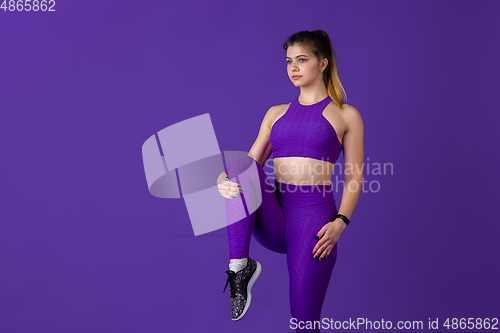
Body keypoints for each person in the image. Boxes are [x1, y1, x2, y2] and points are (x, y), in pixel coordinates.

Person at [216, 29, 364, 331]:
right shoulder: (275, 114)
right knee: (238, 164)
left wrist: (341, 221)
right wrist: (223, 179)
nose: (293, 68)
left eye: (301, 60)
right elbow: (248, 164)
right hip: (275, 217)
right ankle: (240, 268)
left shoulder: (346, 115)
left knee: (304, 322)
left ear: (322, 63)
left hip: (314, 222)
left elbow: (354, 176)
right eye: (288, 61)